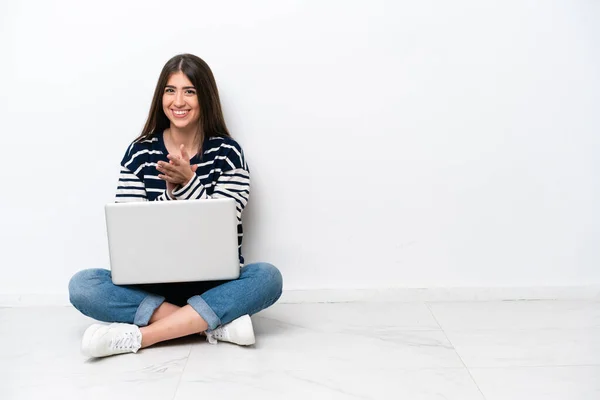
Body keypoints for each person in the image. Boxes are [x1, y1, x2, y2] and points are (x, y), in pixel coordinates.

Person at [68, 54, 283, 358]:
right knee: (83, 285)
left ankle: (143, 336)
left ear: (204, 97)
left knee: (268, 277)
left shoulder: (228, 152)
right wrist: (171, 195)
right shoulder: (139, 152)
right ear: (161, 97)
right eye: (170, 90)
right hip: (154, 286)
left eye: (189, 91)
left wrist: (189, 183)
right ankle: (213, 325)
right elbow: (131, 229)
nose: (178, 100)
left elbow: (227, 218)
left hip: (215, 283)